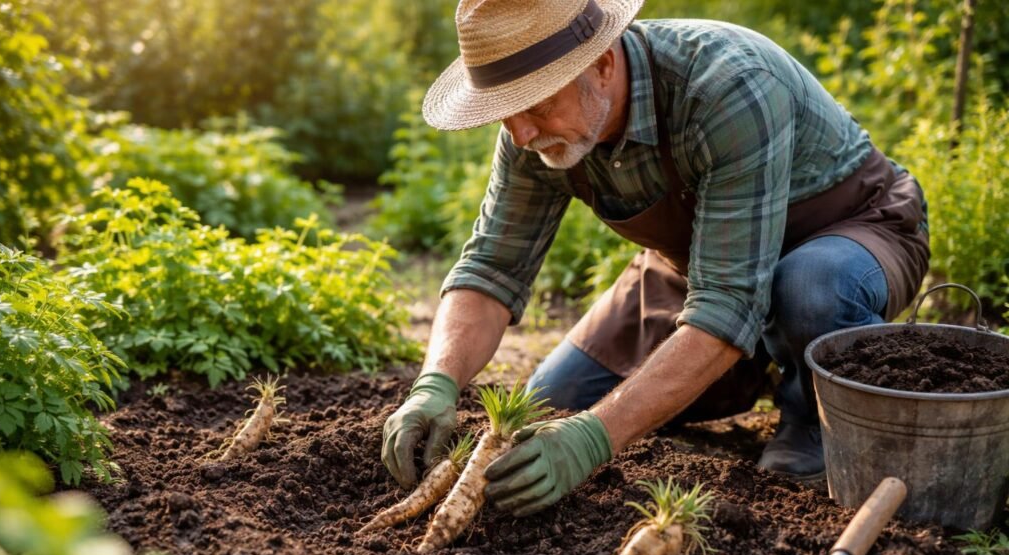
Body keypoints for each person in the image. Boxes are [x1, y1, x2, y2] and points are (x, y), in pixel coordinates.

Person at [380, 0, 929, 516]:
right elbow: (491, 268)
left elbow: (727, 303)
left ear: (600, 63)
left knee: (809, 287)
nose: (521, 133)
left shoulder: (726, 86)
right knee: (552, 405)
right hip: (697, 263)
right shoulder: (533, 132)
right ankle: (748, 365)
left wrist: (595, 441)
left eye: (538, 105)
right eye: (505, 113)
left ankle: (812, 421)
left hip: (849, 231)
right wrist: (437, 383)